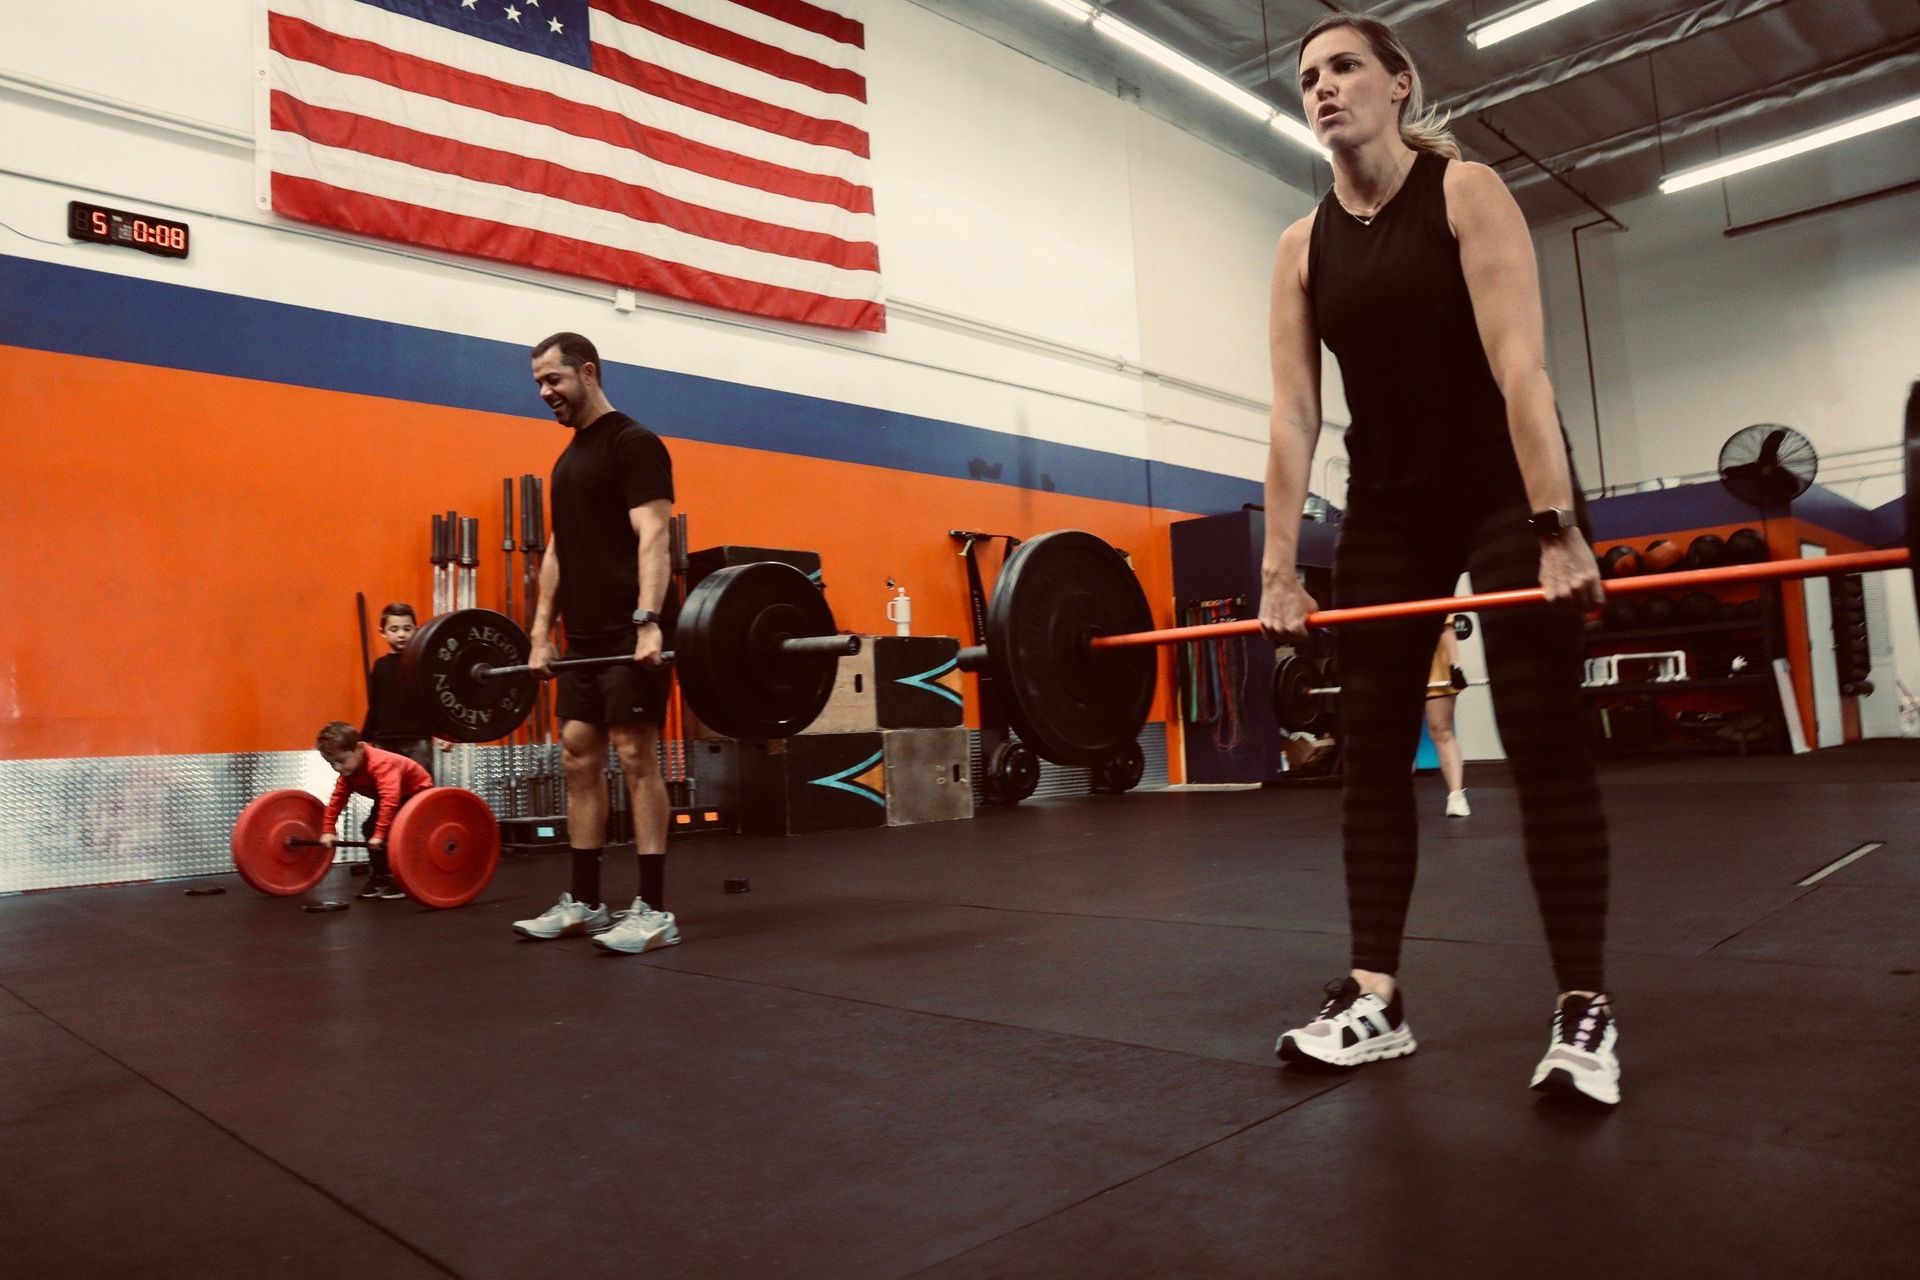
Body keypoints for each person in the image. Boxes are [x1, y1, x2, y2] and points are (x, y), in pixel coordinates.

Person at [1258, 15, 1619, 1104]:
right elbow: (1292, 417)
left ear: (1400, 84)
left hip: (1509, 483)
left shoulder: (1465, 192)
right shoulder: (1301, 244)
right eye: (1309, 75)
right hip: (1390, 507)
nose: (1324, 88)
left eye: (1346, 66)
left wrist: (1556, 527)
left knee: (1544, 729)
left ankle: (1582, 1006)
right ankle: (1376, 995)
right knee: (1372, 744)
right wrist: (1281, 565)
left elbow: (1523, 369)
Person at [510, 332, 681, 955]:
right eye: (538, 384)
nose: (544, 393)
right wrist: (539, 633)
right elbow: (558, 551)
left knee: (636, 757)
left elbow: (654, 536)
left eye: (553, 380)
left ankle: (655, 909)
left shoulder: (635, 444)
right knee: (578, 754)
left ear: (587, 371)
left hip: (629, 629)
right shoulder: (567, 461)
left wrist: (648, 620)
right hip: (582, 637)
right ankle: (584, 901)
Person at [315, 721, 435, 900]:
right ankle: (380, 877)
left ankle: (401, 880)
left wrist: (380, 834)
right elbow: (336, 801)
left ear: (358, 749)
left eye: (341, 761)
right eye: (332, 764)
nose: (338, 768)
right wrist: (328, 830)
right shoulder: (348, 773)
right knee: (368, 828)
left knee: (392, 834)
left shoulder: (381, 764)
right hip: (394, 795)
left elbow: (389, 800)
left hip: (416, 793)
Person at [362, 603, 439, 776]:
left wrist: (443, 735)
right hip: (385, 741)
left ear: (416, 630)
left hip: (418, 739)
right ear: (383, 632)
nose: (401, 634)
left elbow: (435, 701)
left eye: (407, 628)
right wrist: (364, 739)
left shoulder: (422, 663)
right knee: (387, 790)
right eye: (394, 629)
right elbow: (375, 706)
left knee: (421, 789)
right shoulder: (380, 666)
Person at [1428, 616, 1470, 817]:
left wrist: (1456, 665)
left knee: (1441, 729)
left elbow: (1446, 627)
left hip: (1434, 668)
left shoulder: (1430, 588)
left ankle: (1456, 796)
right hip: (1398, 666)